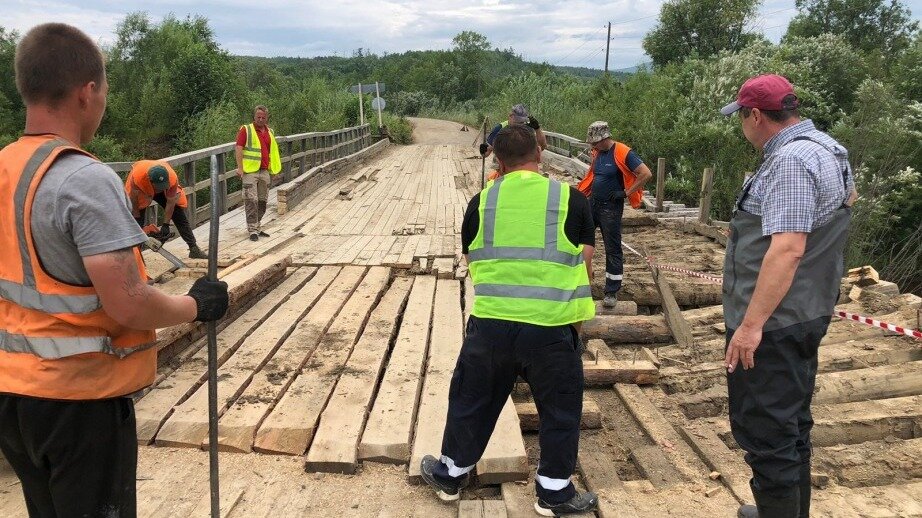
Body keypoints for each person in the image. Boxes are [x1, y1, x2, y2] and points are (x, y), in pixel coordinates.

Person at [0, 23, 229, 517]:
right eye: (103, 90)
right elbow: (128, 301)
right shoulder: (83, 178)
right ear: (87, 92)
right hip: (79, 398)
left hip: (13, 395)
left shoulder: (5, 167)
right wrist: (197, 305)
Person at [420, 124, 598, 516]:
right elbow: (584, 261)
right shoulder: (570, 199)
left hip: (492, 325)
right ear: (540, 150)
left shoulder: (480, 202)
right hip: (552, 327)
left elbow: (473, 261)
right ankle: (554, 493)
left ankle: (451, 476)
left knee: (472, 401)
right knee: (560, 411)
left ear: (497, 161)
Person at [720, 74, 855, 518]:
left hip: (774, 323)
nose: (742, 125)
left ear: (755, 115)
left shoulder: (790, 162)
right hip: (808, 309)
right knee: (793, 424)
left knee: (766, 431)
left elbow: (789, 247)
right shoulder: (829, 148)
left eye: (741, 116)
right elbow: (841, 211)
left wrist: (750, 327)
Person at [577, 121, 653, 308]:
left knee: (612, 247)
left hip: (611, 207)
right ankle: (580, 279)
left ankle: (611, 290)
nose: (592, 146)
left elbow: (646, 173)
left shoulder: (623, 152)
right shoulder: (598, 153)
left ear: (604, 138)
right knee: (579, 239)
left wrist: (626, 192)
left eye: (594, 142)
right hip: (593, 203)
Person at [125, 159, 207, 259]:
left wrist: (165, 225)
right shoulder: (137, 178)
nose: (161, 189)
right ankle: (135, 257)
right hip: (141, 190)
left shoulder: (172, 178)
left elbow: (171, 202)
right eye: (159, 187)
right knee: (136, 221)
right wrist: (137, 219)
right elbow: (134, 201)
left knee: (178, 214)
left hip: (158, 185)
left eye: (163, 186)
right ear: (150, 181)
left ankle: (194, 249)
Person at [235, 105, 281, 241]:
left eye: (263, 117)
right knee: (251, 200)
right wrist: (240, 167)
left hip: (265, 170)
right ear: (254, 117)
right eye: (258, 117)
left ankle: (258, 226)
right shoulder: (246, 130)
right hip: (250, 170)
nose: (260, 119)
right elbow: (238, 147)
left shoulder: (270, 132)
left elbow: (272, 152)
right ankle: (252, 230)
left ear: (267, 118)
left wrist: (274, 170)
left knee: (262, 201)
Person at [479, 103, 547, 162]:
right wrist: (483, 150)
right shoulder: (499, 129)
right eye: (517, 121)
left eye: (522, 122)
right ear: (510, 116)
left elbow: (542, 146)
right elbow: (486, 153)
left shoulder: (527, 129)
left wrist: (537, 129)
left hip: (523, 166)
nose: (520, 125)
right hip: (503, 169)